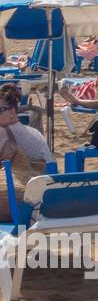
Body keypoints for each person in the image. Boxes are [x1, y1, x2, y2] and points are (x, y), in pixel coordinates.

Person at [0, 83, 56, 221]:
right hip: (44, 199)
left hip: (17, 201)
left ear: (12, 112)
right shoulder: (34, 132)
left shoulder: (2, 132)